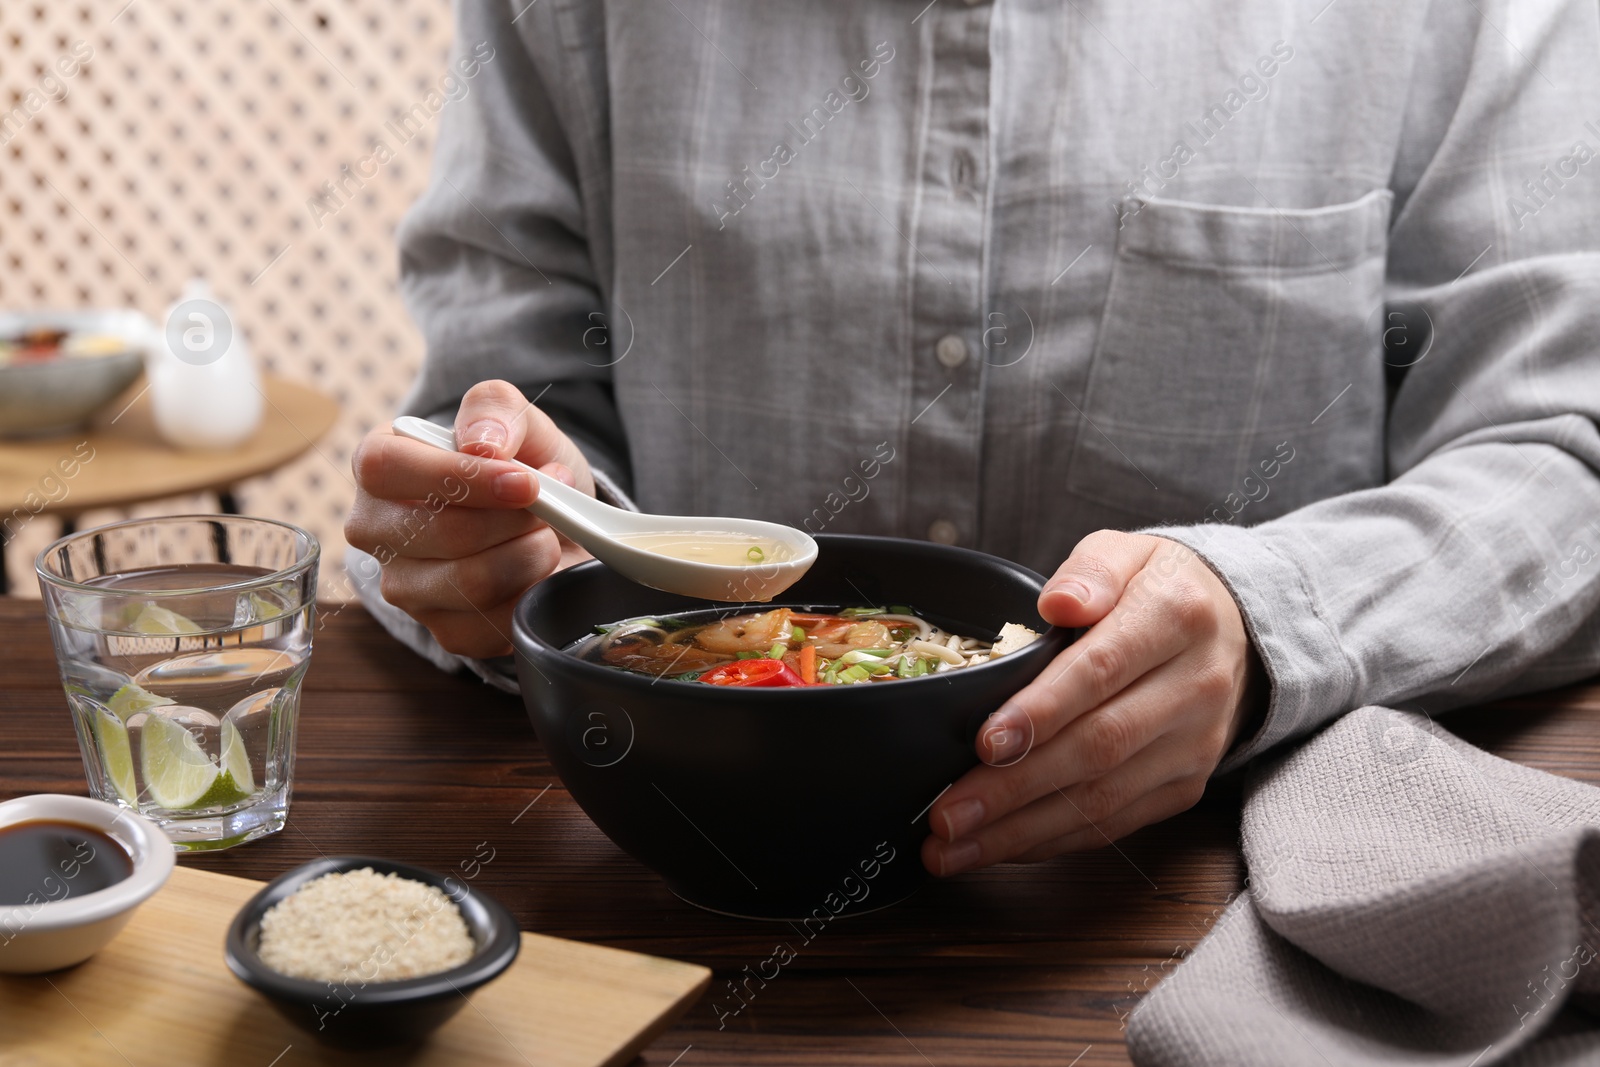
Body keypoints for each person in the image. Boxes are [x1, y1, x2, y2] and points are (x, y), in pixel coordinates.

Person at [345, 0, 1600, 880]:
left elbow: (1561, 457)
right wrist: (490, 536)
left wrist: (1270, 620)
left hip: (1223, 888)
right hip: (649, 873)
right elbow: (497, 406)